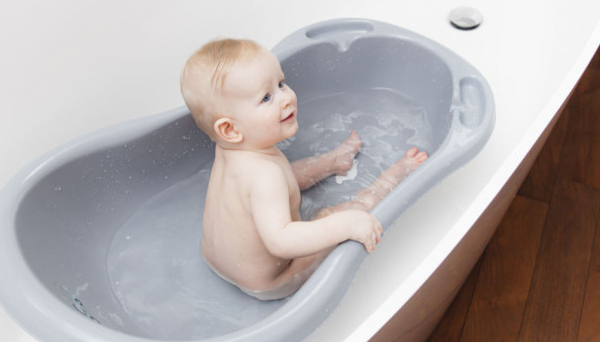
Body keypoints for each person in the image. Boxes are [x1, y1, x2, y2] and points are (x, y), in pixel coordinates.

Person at [180, 38, 428, 300]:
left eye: (281, 84)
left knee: (282, 178)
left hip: (217, 261)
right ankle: (391, 179)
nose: (286, 98)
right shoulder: (265, 176)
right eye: (266, 97)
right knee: (337, 215)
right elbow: (282, 241)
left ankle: (334, 161)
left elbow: (273, 187)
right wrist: (346, 225)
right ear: (230, 129)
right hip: (273, 281)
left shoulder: (232, 152)